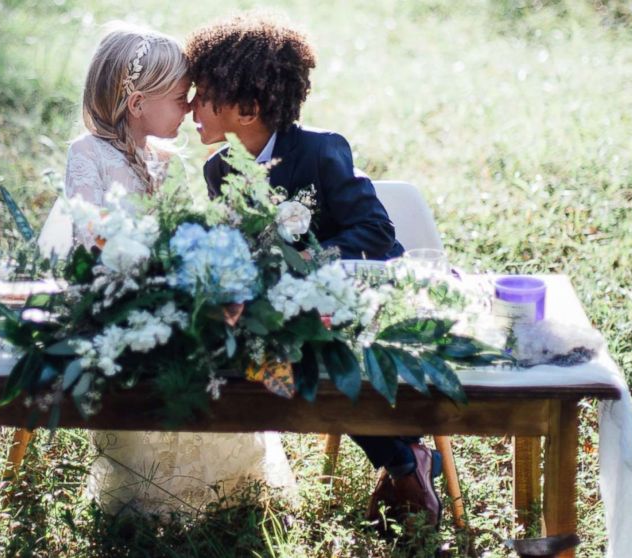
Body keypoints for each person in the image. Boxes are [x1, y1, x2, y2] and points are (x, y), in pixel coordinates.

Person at [184, 15, 442, 530]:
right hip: (288, 310)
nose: (191, 106)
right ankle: (407, 451)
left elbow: (373, 231)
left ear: (248, 107)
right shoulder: (218, 171)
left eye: (203, 94)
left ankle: (401, 460)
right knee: (261, 357)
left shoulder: (323, 150)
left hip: (363, 295)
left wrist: (302, 263)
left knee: (322, 353)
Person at [60, 25, 296, 518]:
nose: (190, 108)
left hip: (165, 292)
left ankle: (224, 483)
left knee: (212, 339)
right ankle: (154, 488)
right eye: (180, 97)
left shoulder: (166, 160)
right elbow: (89, 240)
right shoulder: (87, 155)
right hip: (114, 298)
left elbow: (185, 233)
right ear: (138, 103)